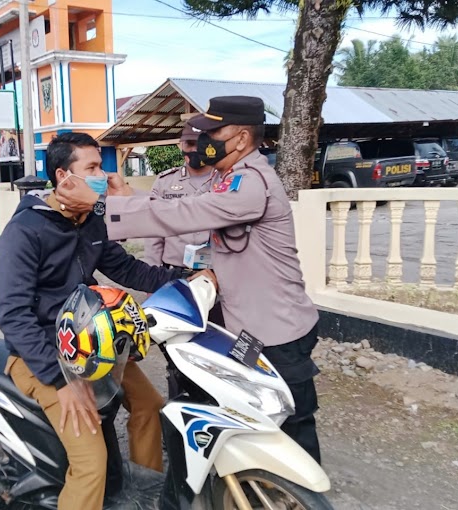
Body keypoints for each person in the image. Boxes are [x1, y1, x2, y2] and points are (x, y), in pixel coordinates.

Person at [56, 96, 323, 465]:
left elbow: (186, 212)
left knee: (291, 419)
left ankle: (300, 491)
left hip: (278, 330)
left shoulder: (251, 182)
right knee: (252, 409)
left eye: (214, 132)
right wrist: (128, 198)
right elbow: (179, 204)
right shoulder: (229, 177)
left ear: (241, 139)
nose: (205, 140)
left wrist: (100, 205)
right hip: (246, 327)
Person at [0, 132, 199, 510]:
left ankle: (142, 495)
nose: (102, 176)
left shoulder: (89, 221)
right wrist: (60, 381)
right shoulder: (25, 232)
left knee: (150, 407)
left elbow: (128, 269)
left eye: (101, 167)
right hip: (43, 355)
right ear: (63, 176)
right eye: (91, 168)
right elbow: (13, 315)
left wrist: (187, 279)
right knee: (90, 462)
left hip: (94, 343)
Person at [144, 122, 214, 269]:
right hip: (175, 268)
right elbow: (153, 232)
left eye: (200, 145)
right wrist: (153, 273)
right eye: (190, 144)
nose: (195, 149)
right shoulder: (165, 182)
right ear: (181, 144)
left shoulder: (224, 180)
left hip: (216, 270)